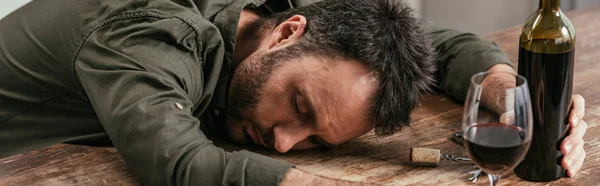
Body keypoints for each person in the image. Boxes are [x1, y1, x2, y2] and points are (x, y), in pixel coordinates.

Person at [0, 0, 587, 185]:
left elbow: (442, 43)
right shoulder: (150, 28)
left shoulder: (294, 21)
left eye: (313, 140)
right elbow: (177, 162)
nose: (282, 144)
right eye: (301, 107)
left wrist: (515, 99)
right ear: (288, 33)